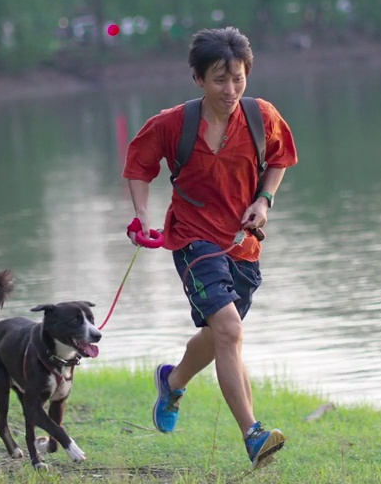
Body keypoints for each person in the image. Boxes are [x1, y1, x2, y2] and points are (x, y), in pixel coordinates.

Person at [122, 26, 298, 468]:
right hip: (193, 239)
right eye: (220, 79)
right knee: (230, 330)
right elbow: (138, 166)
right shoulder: (173, 124)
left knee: (219, 333)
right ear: (198, 79)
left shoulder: (261, 116)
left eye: (238, 78)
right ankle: (253, 434)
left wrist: (265, 200)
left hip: (243, 245)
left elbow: (279, 158)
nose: (231, 89)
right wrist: (142, 216)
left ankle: (173, 381)